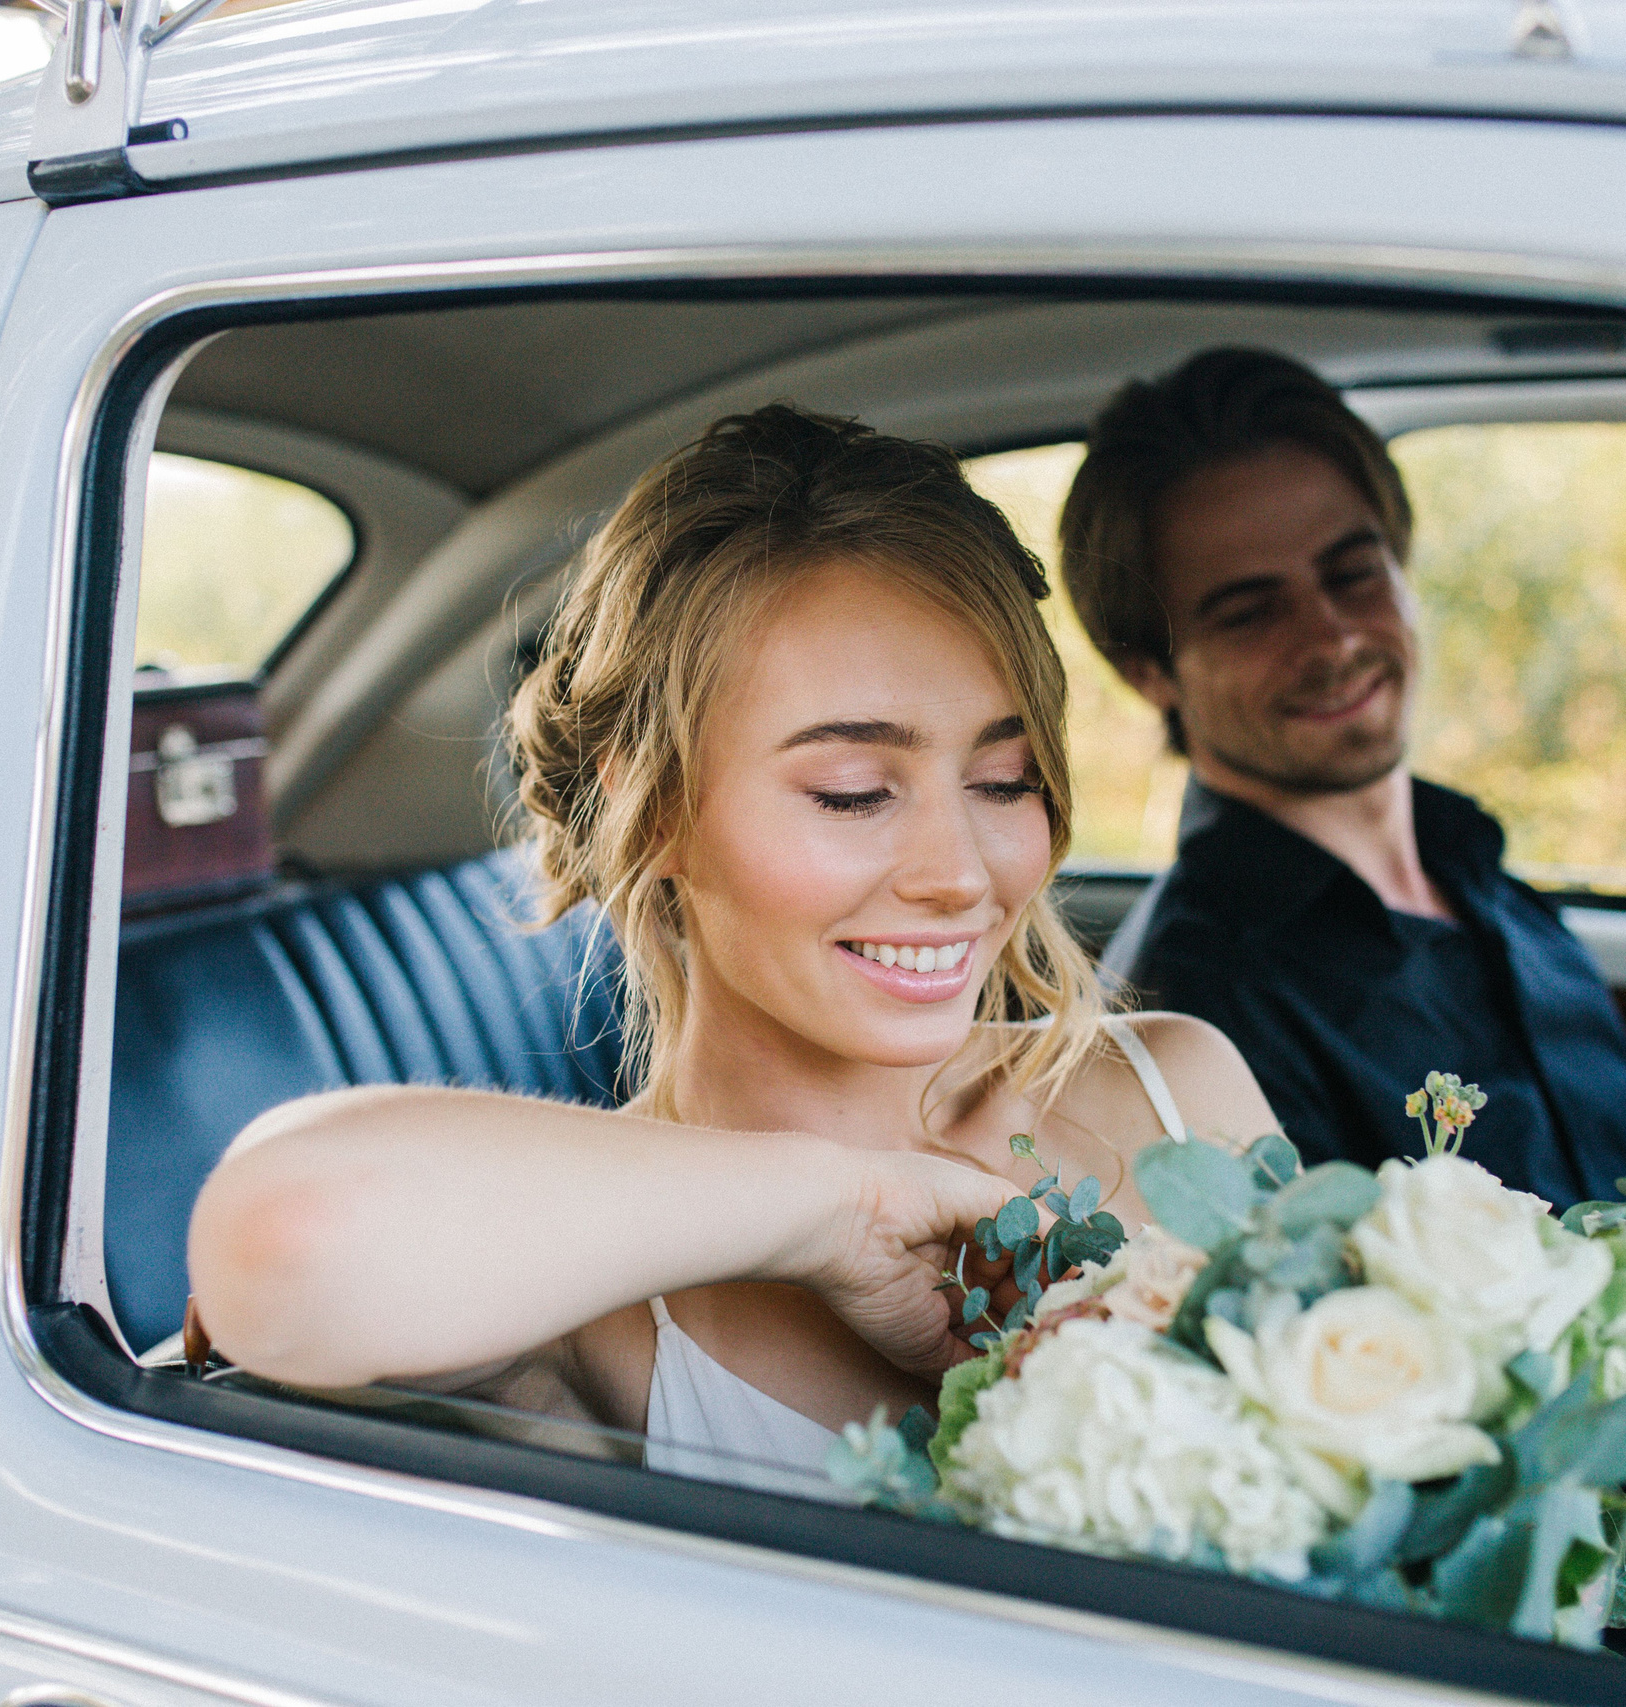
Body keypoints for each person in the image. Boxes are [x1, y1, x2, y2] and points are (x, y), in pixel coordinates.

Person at [188, 404, 1274, 1496]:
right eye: (851, 793)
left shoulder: (1171, 1090)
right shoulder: (584, 1293)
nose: (960, 872)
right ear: (653, 808)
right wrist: (843, 1213)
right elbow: (289, 1234)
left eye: (1004, 780)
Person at [1059, 349, 1626, 1208]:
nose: (1332, 638)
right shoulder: (1198, 1012)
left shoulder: (1499, 893)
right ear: (1148, 669)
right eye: (1251, 611)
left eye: (1352, 572)